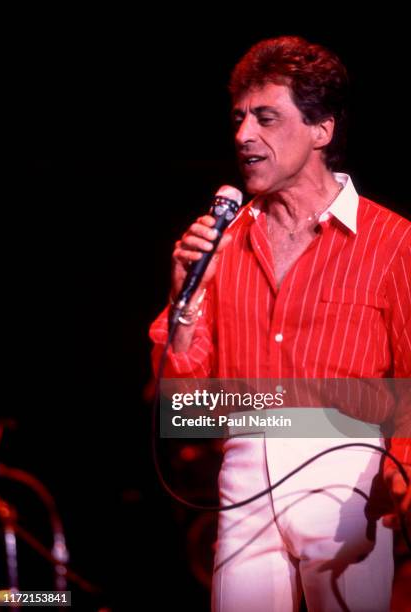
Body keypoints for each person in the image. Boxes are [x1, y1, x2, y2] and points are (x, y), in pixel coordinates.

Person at [150, 36, 410, 611]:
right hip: (242, 471)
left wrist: (404, 468)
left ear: (322, 130)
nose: (244, 135)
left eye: (266, 118)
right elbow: (181, 400)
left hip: (349, 476)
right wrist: (184, 300)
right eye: (239, 118)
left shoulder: (391, 241)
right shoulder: (223, 243)